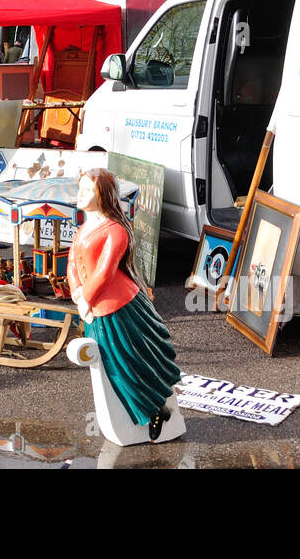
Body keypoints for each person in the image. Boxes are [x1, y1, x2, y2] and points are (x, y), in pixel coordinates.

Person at [69, 168, 182, 441]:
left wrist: (87, 298)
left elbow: (105, 272)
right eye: (80, 188)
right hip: (92, 308)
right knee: (110, 365)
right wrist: (76, 293)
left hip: (117, 307)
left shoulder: (116, 230)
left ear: (103, 195)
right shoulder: (84, 228)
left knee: (126, 361)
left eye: (88, 190)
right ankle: (140, 413)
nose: (81, 195)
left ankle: (154, 409)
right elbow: (73, 263)